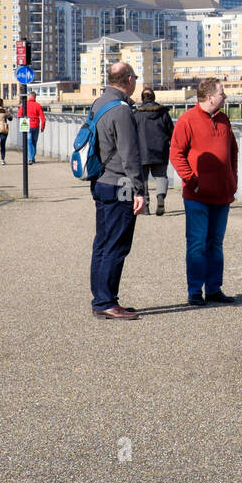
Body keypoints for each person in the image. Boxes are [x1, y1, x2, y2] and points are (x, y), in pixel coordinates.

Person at [170, 78, 237, 307]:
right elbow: (176, 154)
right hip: (197, 195)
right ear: (210, 97)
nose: (225, 96)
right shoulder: (187, 121)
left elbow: (233, 152)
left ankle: (214, 288)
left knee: (216, 243)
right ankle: (195, 291)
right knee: (197, 243)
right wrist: (191, 180)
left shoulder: (224, 119)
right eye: (222, 93)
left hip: (222, 194)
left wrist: (232, 179)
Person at [88, 62, 146, 321]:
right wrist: (140, 190)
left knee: (102, 243)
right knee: (116, 245)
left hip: (101, 181)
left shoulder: (99, 103)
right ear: (130, 80)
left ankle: (101, 297)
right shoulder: (122, 110)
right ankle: (106, 302)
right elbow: (130, 155)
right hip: (119, 185)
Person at [134, 88, 175, 215]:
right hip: (160, 150)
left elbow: (132, 134)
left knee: (143, 178)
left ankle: (145, 207)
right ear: (154, 97)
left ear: (142, 98)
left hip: (142, 152)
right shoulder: (163, 113)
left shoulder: (137, 114)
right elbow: (171, 131)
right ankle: (160, 197)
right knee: (161, 176)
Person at [25, 91, 46, 163]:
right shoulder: (38, 105)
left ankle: (30, 158)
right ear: (35, 97)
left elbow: (19, 114)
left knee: (29, 142)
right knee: (34, 142)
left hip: (28, 125)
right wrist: (42, 127)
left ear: (29, 97)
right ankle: (32, 157)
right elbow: (42, 118)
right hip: (36, 126)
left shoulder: (25, 105)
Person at [0, 98, 12, 164]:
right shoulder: (4, 110)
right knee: (3, 145)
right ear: (1, 103)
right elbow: (10, 118)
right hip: (3, 129)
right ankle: (2, 160)